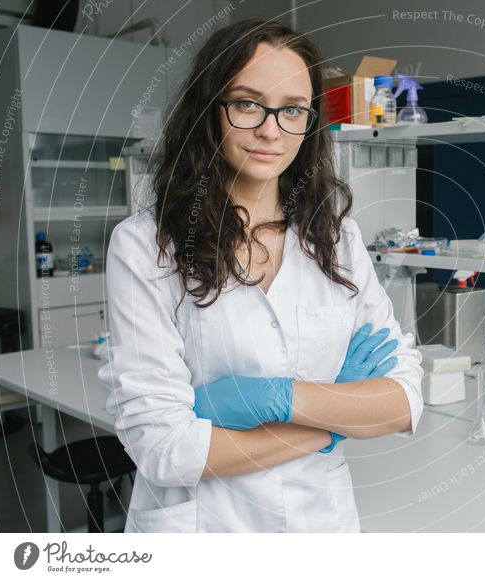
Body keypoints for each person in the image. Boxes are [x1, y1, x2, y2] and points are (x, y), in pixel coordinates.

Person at [98, 19, 424, 532]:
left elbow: (403, 400)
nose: (271, 130)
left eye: (293, 109)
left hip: (321, 527)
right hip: (208, 530)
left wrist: (280, 398)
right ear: (210, 110)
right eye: (248, 104)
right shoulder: (146, 247)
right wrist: (329, 422)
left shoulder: (339, 243)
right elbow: (164, 448)